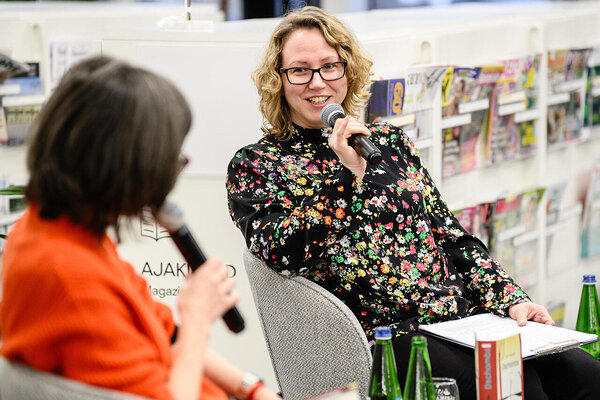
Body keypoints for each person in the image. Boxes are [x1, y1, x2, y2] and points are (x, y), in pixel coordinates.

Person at [225, 6, 600, 400]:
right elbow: (282, 253)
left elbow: (451, 238)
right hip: (386, 337)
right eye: (300, 70)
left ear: (347, 71)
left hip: (459, 320)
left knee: (586, 376)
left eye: (330, 66)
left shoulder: (387, 142)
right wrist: (347, 179)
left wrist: (511, 300)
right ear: (278, 81)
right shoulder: (258, 164)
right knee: (520, 386)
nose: (317, 82)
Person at [0, 56, 281, 400]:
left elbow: (163, 328)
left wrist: (252, 390)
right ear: (120, 166)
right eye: (167, 158)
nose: (173, 170)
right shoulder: (66, 277)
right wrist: (197, 321)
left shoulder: (63, 230)